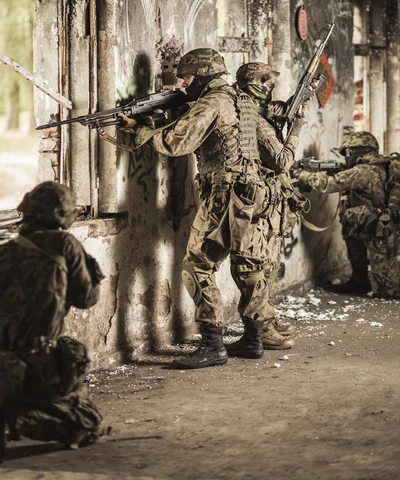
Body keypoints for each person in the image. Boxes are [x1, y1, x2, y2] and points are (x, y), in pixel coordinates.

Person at [119, 48, 305, 368]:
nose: (182, 84)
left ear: (203, 75)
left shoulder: (213, 101)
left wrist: (139, 130)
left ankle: (212, 344)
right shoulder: (240, 99)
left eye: (187, 78)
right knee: (247, 264)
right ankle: (254, 337)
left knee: (197, 265)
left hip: (225, 193)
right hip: (251, 193)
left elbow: (178, 143)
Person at [0, 182, 107, 455]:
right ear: (63, 214)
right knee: (88, 422)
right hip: (42, 363)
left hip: (4, 363)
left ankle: (13, 413)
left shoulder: (6, 251)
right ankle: (16, 422)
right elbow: (87, 299)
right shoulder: (65, 245)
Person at [235, 62, 308, 349]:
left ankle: (266, 318)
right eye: (263, 80)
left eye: (270, 80)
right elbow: (281, 161)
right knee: (252, 265)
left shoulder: (258, 114)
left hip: (269, 202)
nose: (269, 85)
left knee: (267, 265)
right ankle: (260, 329)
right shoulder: (252, 119)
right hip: (255, 202)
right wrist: (297, 128)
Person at [298, 132, 400, 298]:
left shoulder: (363, 170)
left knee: (389, 289)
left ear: (357, 151)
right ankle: (359, 282)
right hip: (367, 224)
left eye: (348, 153)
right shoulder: (381, 166)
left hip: (380, 229)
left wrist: (302, 175)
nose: (346, 158)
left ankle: (388, 285)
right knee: (351, 235)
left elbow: (330, 184)